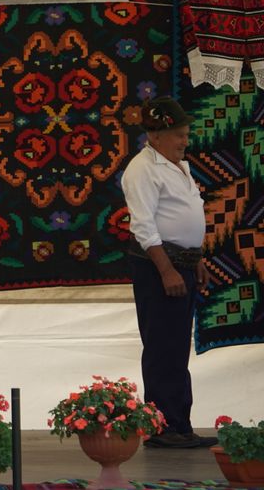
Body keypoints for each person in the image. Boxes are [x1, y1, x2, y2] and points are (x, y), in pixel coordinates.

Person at [120, 96, 217, 449]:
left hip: (181, 263)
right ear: (156, 135)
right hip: (159, 267)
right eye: (179, 135)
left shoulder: (176, 166)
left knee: (176, 347)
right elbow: (144, 227)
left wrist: (195, 260)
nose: (184, 141)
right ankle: (163, 428)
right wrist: (167, 271)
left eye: (185, 134)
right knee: (162, 345)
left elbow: (180, 220)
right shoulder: (142, 170)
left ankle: (179, 423)